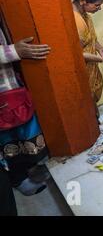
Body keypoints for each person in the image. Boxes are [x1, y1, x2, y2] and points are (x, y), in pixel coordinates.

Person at [0, 28, 51, 215]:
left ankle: (26, 170)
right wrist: (13, 52)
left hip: (11, 84)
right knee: (8, 139)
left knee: (23, 133)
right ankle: (18, 179)